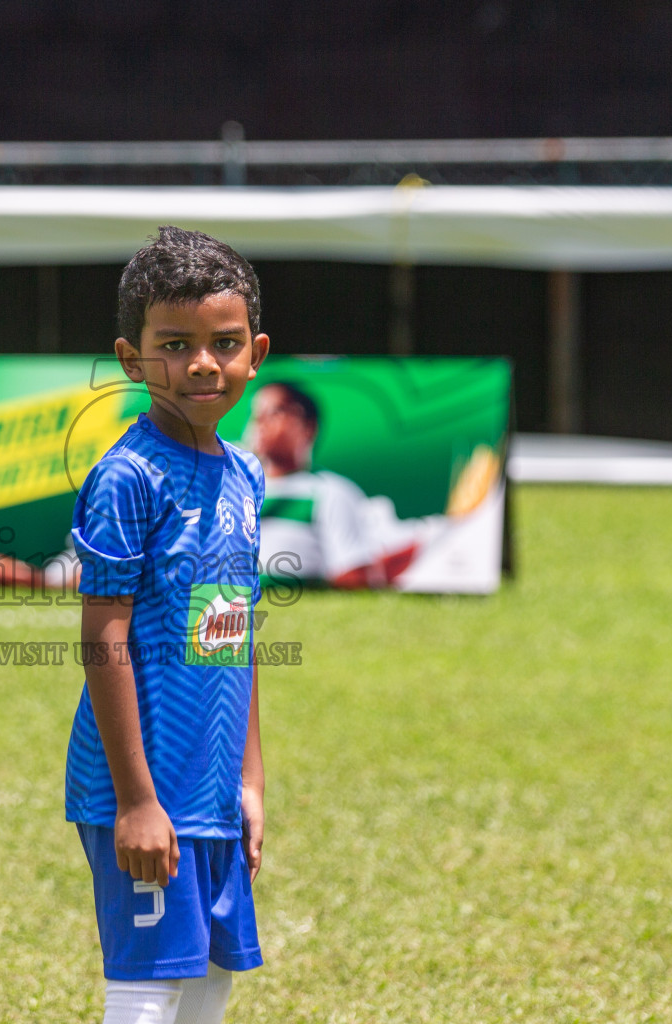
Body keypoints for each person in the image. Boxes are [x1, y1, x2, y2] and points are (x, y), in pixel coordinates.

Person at [66, 226, 270, 1024]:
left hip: (213, 790)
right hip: (144, 789)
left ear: (255, 351)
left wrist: (248, 781)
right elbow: (102, 636)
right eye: (175, 344)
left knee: (211, 980)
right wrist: (136, 802)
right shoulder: (128, 476)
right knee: (150, 990)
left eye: (223, 343)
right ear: (131, 358)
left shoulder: (245, 473)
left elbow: (231, 630)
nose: (201, 364)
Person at [247, 380, 456, 588]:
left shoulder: (332, 492)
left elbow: (352, 578)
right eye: (257, 414)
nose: (260, 423)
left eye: (275, 412)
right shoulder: (231, 486)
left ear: (308, 427)